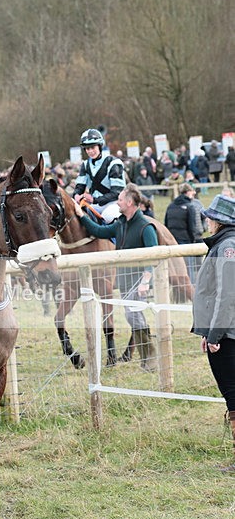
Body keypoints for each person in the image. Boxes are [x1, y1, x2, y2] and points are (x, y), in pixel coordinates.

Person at [73, 183, 158, 370]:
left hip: (139, 280)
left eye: (119, 199)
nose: (117, 202)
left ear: (129, 202)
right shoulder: (120, 224)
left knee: (132, 314)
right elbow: (99, 231)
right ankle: (148, 357)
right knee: (133, 315)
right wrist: (81, 216)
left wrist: (145, 281)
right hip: (126, 280)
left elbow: (153, 257)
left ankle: (150, 358)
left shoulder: (146, 226)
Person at [191, 194, 235, 472]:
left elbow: (227, 294)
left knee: (233, 392)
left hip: (228, 334)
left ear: (218, 221)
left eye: (209, 216)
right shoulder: (224, 244)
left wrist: (215, 334)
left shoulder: (227, 246)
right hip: (224, 330)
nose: (206, 220)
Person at [73, 127, 125, 222]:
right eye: (87, 148)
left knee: (109, 216)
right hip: (93, 205)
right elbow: (79, 187)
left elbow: (117, 192)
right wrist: (76, 195)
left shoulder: (114, 163)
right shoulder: (85, 165)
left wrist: (94, 199)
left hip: (113, 204)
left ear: (100, 146)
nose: (90, 151)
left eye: (93, 147)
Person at [164, 183, 203, 283]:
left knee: (176, 268)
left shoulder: (170, 206)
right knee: (188, 268)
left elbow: (166, 224)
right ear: (187, 192)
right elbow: (192, 226)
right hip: (185, 241)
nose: (193, 193)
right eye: (191, 191)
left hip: (172, 241)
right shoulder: (190, 206)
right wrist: (193, 240)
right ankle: (191, 288)